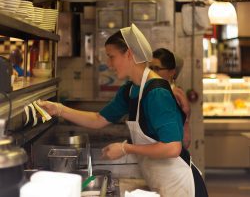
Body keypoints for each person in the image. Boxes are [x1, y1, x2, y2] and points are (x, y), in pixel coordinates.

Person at [38, 23, 208, 197]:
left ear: (128, 54)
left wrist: (126, 148)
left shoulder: (157, 93)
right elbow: (98, 119)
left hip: (182, 185)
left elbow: (172, 148)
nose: (108, 63)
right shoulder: (130, 89)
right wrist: (58, 109)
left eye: (111, 56)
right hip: (163, 183)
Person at [150, 48, 191, 148]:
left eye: (157, 68)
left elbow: (184, 140)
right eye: (150, 68)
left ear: (172, 72)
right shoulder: (153, 91)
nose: (152, 72)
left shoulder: (175, 94)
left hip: (168, 150)